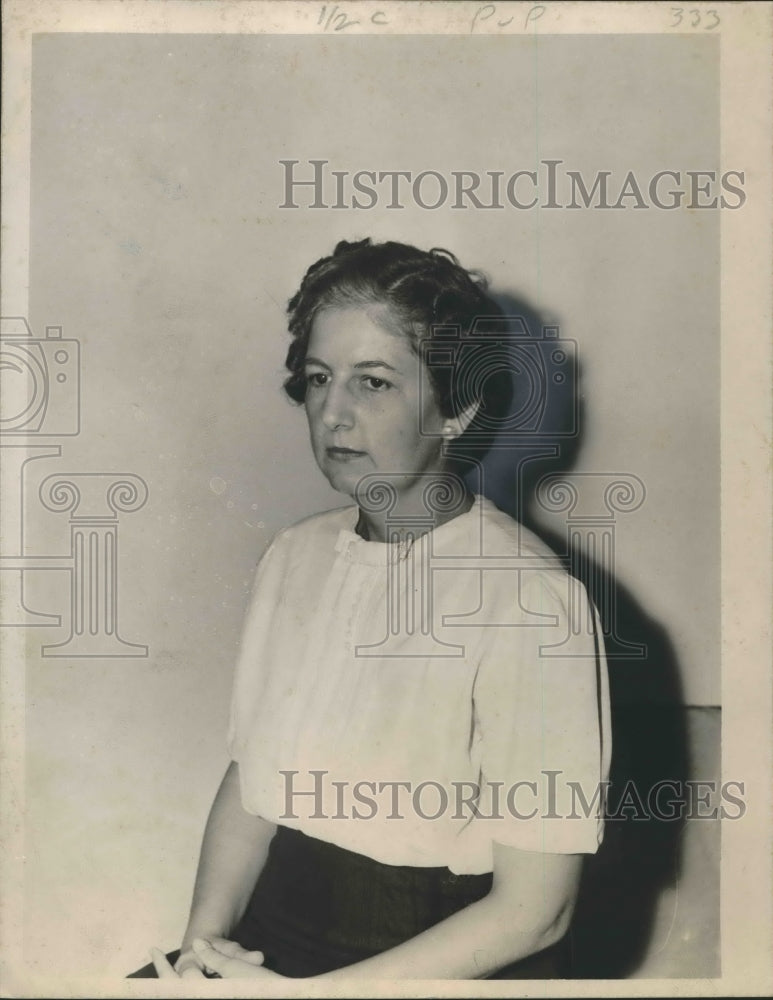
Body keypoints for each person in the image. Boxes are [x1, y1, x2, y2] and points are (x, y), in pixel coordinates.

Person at [139, 238, 611, 981]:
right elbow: (252, 784)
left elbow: (536, 911)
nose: (331, 414)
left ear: (457, 408)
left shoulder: (530, 599)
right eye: (320, 378)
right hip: (279, 930)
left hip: (442, 960)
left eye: (374, 383)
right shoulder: (293, 557)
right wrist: (200, 951)